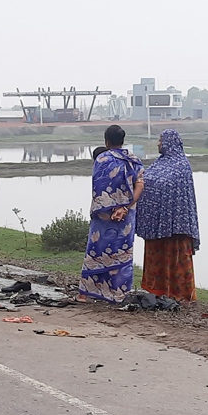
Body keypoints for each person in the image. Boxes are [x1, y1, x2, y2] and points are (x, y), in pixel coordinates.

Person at [77, 125, 144, 304]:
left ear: (106, 141)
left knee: (96, 251)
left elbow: (99, 186)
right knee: (122, 252)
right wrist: (125, 207)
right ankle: (118, 295)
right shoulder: (134, 160)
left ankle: (84, 294)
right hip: (126, 216)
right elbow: (140, 185)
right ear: (122, 140)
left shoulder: (102, 159)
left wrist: (112, 206)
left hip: (104, 216)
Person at [136, 129, 200, 301]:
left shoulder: (182, 165)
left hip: (176, 226)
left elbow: (172, 189)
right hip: (156, 224)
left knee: (175, 258)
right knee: (157, 257)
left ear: (170, 142)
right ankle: (156, 291)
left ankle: (180, 294)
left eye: (161, 140)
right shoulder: (159, 163)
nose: (158, 143)